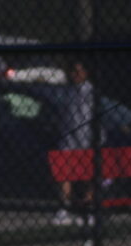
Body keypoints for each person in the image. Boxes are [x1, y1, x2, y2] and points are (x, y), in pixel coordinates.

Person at [52, 61, 102, 227]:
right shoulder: (67, 91)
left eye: (79, 71)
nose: (75, 75)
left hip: (87, 139)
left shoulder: (90, 91)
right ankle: (64, 208)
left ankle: (89, 209)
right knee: (64, 173)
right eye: (73, 71)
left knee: (89, 176)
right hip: (68, 138)